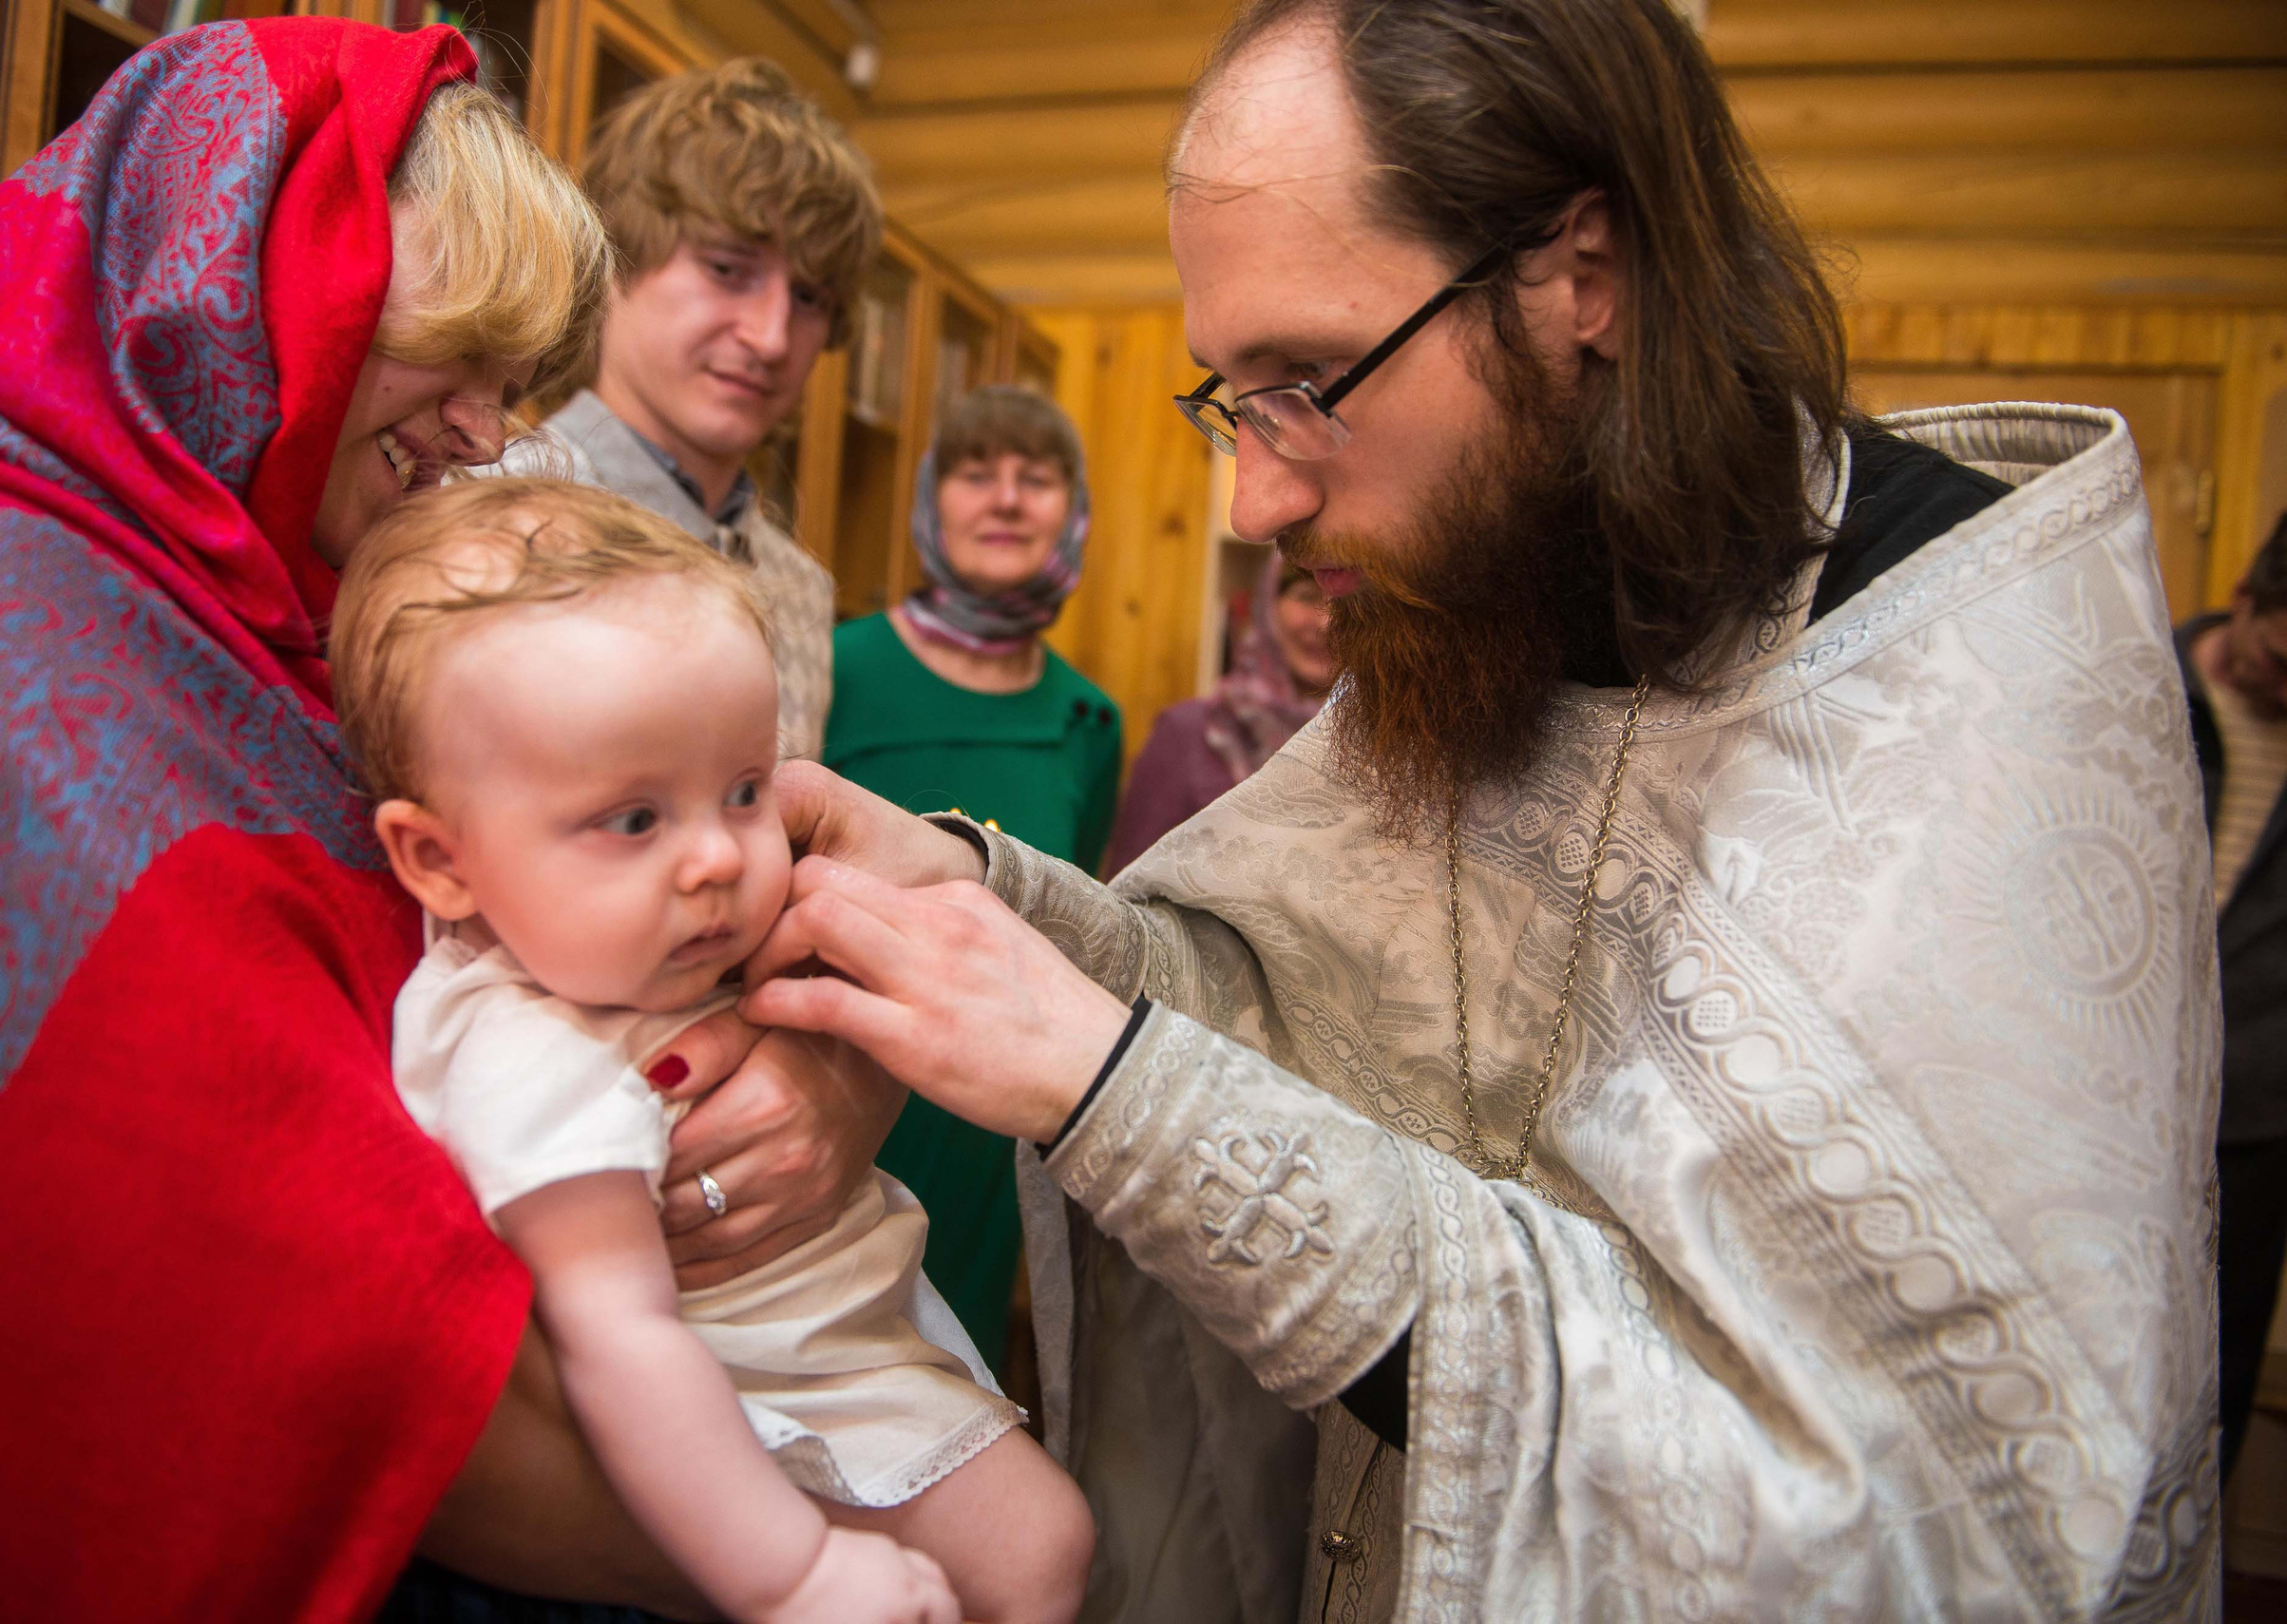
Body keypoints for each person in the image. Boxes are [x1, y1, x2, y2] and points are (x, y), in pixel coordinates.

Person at [735, 1, 2220, 1618]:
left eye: (1310, 380)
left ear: (1586, 273)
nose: (1256, 494)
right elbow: (1273, 1010)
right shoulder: (1501, 593)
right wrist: (973, 901)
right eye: (1233, 395)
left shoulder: (1979, 684)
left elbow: (1920, 1521)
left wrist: (1113, 1088)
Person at [0, 21, 905, 1617]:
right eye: (452, 355)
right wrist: (795, 1561)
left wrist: (822, 1075)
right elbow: (313, 1311)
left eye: (512, 383)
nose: (486, 436)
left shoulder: (290, 592)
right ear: (230, 282)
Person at [333, 477, 1092, 1624]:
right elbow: (619, 1340)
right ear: (440, 861)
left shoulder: (640, 942)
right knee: (1036, 1551)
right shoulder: (531, 1052)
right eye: (635, 818)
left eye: (742, 791)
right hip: (752, 1420)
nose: (719, 858)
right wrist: (796, 1573)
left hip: (844, 1344)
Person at [820, 384, 1122, 1372]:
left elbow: (1069, 930)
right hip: (836, 1101)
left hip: (994, 1132)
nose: (1006, 499)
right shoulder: (836, 668)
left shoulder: (1089, 721)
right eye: (975, 473)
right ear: (929, 500)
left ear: (1073, 512)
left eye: (1036, 478)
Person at [503, 58, 880, 763]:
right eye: (728, 270)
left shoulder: (801, 592)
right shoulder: (486, 509)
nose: (771, 338)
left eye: (809, 298)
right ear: (616, 257)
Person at [2180, 511, 2287, 1486]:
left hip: (2255, 1115)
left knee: (2219, 1364)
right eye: (2281, 658)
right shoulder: (2139, 679)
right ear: (2246, 599)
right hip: (2110, 1091)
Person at [1106, 554, 1333, 874]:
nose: (1327, 623)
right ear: (1267, 603)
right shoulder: (1187, 734)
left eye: (1348, 606)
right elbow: (1126, 889)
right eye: (1307, 597)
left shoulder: (1383, 750)